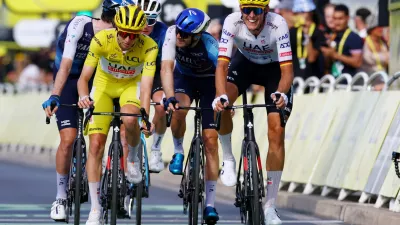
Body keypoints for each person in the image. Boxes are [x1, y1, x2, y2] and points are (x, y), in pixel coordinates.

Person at [41, 0, 134, 221]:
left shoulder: (118, 37)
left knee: (107, 134)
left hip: (98, 81)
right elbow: (65, 62)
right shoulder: (80, 24)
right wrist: (55, 93)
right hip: (70, 79)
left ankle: (116, 177)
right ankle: (61, 196)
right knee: (68, 138)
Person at [213, 0, 294, 224]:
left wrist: (282, 93)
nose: (250, 15)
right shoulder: (232, 21)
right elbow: (221, 65)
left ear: (265, 11)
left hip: (274, 70)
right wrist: (221, 96)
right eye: (246, 10)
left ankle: (270, 206)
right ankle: (228, 158)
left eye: (256, 11)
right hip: (244, 65)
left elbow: (287, 70)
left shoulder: (278, 24)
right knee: (221, 105)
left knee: (276, 131)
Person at [77, 5, 157, 224]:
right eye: (124, 33)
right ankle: (95, 209)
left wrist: (145, 117)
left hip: (131, 87)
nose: (129, 39)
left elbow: (147, 86)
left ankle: (132, 157)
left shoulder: (149, 46)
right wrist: (84, 97)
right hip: (103, 86)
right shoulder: (102, 40)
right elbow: (84, 78)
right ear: (116, 28)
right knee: (95, 146)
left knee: (130, 118)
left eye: (134, 35)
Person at [161, 8, 220, 223]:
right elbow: (166, 68)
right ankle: (178, 152)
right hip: (183, 79)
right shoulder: (170, 34)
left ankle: (210, 204)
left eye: (185, 34)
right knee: (178, 109)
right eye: (178, 31)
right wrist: (169, 97)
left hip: (209, 83)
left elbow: (223, 72)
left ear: (197, 35)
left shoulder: (211, 45)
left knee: (211, 141)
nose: (179, 36)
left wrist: (223, 98)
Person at [321, 4, 363, 78]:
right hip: (333, 82)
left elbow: (357, 62)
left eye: (340, 19)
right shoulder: (332, 36)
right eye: (335, 18)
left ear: (347, 18)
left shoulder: (353, 37)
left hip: (348, 84)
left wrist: (335, 55)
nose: (337, 22)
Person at [290, 0, 326, 80]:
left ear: (311, 13)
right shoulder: (292, 31)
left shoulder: (319, 33)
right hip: (295, 79)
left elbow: (312, 58)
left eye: (302, 12)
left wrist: (307, 35)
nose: (299, 15)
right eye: (297, 12)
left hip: (312, 80)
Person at [360, 13, 389, 91]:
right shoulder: (363, 42)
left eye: (381, 26)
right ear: (371, 28)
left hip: (383, 81)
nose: (381, 29)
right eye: (378, 27)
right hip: (368, 82)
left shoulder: (384, 43)